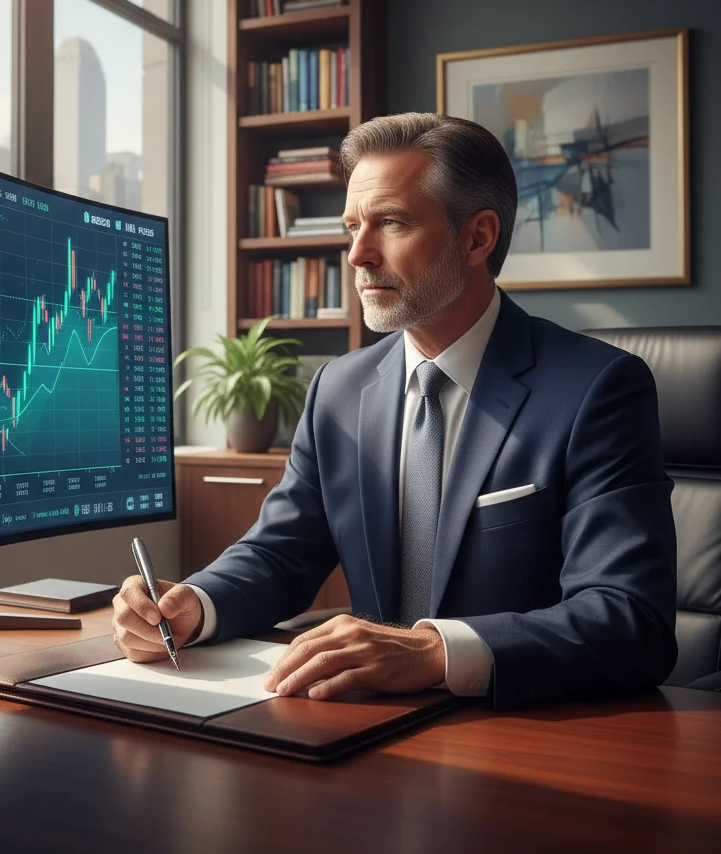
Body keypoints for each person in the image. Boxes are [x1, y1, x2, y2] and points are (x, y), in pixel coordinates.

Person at [112, 113, 677, 710]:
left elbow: (629, 619)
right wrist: (192, 606)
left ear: (478, 238)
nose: (357, 255)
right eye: (352, 226)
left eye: (391, 223)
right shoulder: (338, 387)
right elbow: (279, 553)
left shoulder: (597, 388)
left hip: (521, 730)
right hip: (358, 728)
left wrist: (434, 652)